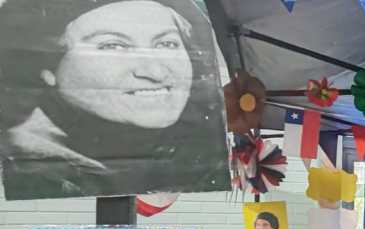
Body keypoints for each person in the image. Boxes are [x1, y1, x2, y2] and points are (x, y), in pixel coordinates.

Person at [0, 0, 227, 200]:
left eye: (166, 44)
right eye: (113, 46)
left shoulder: (189, 157)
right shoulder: (33, 170)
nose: (155, 72)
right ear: (47, 67)